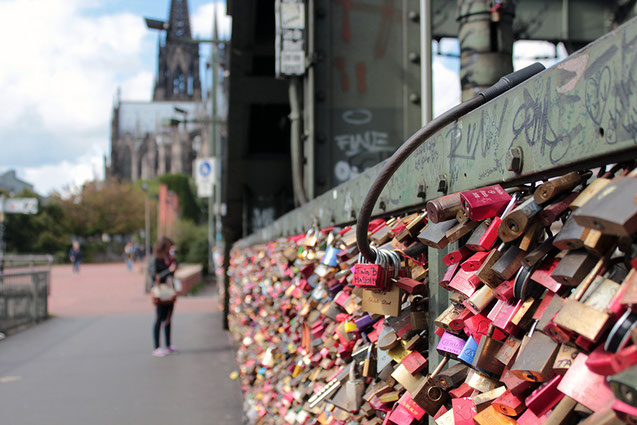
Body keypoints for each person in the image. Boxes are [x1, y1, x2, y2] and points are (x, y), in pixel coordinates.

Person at [151, 237, 178, 357]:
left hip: (170, 292)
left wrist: (173, 260)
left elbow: (174, 271)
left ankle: (168, 345)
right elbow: (155, 277)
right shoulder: (156, 260)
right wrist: (169, 270)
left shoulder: (169, 259)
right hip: (161, 293)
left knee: (168, 318)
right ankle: (156, 347)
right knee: (159, 318)